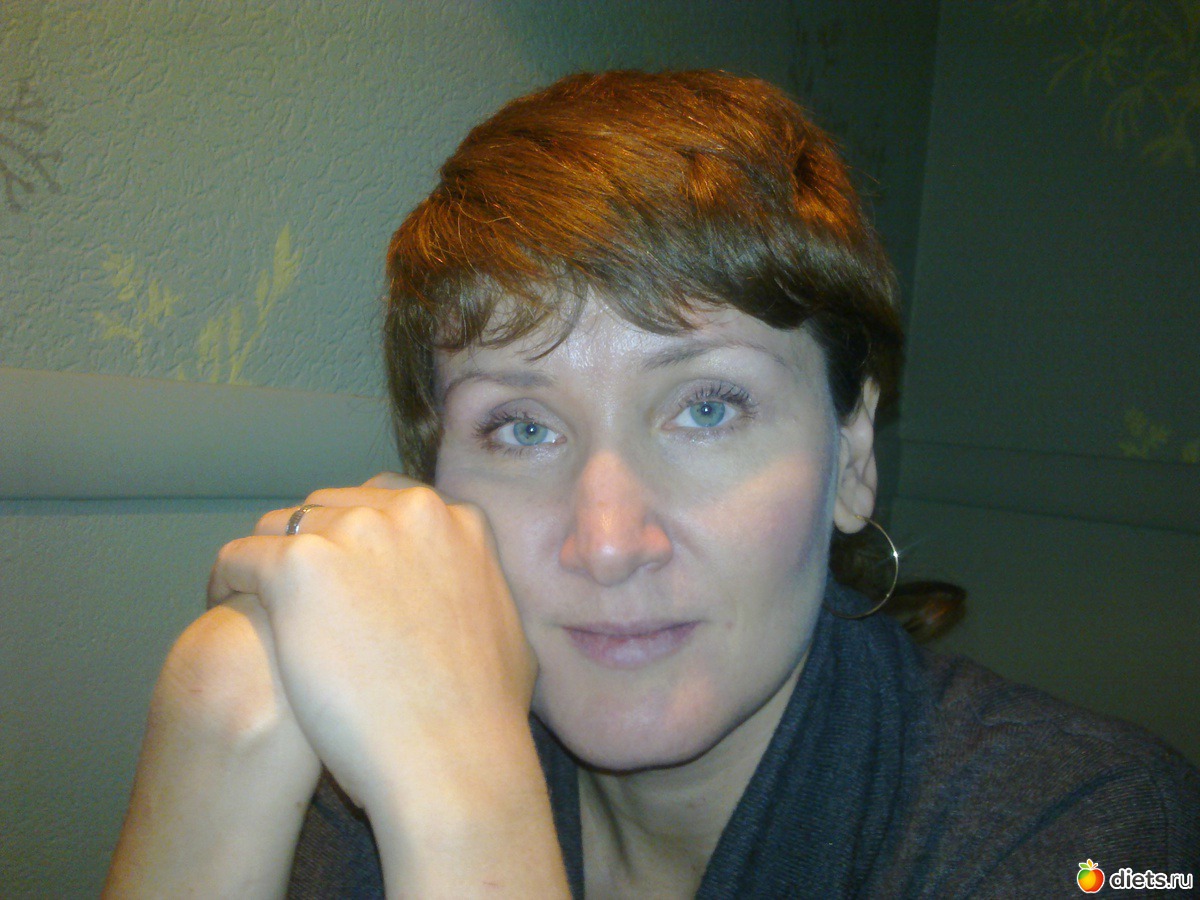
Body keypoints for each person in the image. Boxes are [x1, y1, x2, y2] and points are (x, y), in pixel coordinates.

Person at [105, 70, 1199, 898]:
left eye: (708, 408)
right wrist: (220, 713)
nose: (608, 540)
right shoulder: (368, 764)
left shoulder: (1090, 829)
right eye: (522, 427)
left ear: (853, 456)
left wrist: (464, 796)